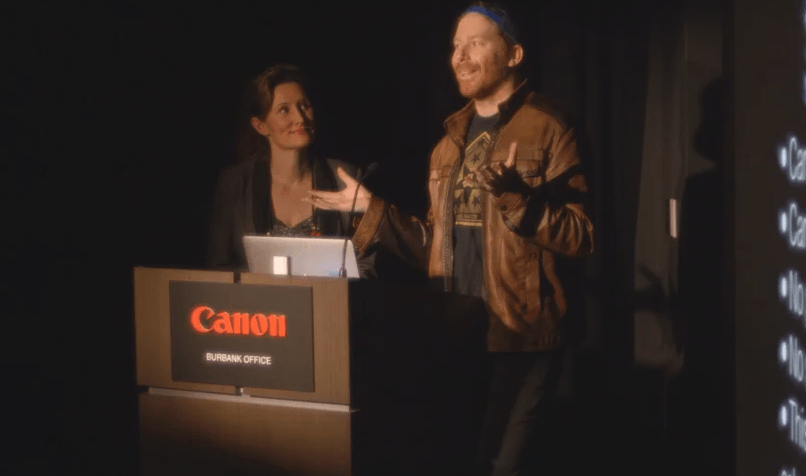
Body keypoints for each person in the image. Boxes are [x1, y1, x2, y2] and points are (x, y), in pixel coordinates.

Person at [307, 3, 594, 474]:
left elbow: (582, 236)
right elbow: (435, 247)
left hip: (523, 335)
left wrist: (517, 199)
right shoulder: (447, 146)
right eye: (455, 46)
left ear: (515, 54)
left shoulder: (550, 127)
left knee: (500, 463)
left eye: (476, 42)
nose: (460, 55)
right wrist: (372, 209)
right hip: (456, 331)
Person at [206, 64, 374, 276]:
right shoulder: (235, 183)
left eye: (305, 106)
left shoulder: (345, 178)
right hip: (258, 307)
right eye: (284, 110)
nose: (301, 119)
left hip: (329, 306)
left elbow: (366, 266)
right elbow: (219, 267)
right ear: (260, 126)